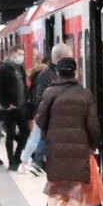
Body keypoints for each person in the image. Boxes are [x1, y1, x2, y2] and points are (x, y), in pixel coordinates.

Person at [35, 56, 101, 206]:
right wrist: (93, 144)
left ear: (57, 72)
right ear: (75, 72)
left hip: (55, 148)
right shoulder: (85, 94)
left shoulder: (49, 93)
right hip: (79, 149)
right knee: (76, 191)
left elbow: (40, 120)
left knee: (57, 188)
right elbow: (93, 125)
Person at [20, 44, 70, 174]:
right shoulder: (46, 75)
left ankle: (34, 162)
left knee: (38, 138)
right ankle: (28, 161)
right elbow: (41, 98)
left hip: (45, 114)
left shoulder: (52, 73)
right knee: (36, 137)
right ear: (59, 58)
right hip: (44, 114)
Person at [0, 47, 27, 170]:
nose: (21, 57)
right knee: (10, 134)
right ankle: (12, 161)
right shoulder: (4, 69)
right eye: (19, 54)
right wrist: (6, 104)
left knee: (25, 131)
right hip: (9, 108)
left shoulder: (20, 68)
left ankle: (17, 155)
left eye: (22, 54)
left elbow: (23, 85)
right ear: (12, 54)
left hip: (20, 107)